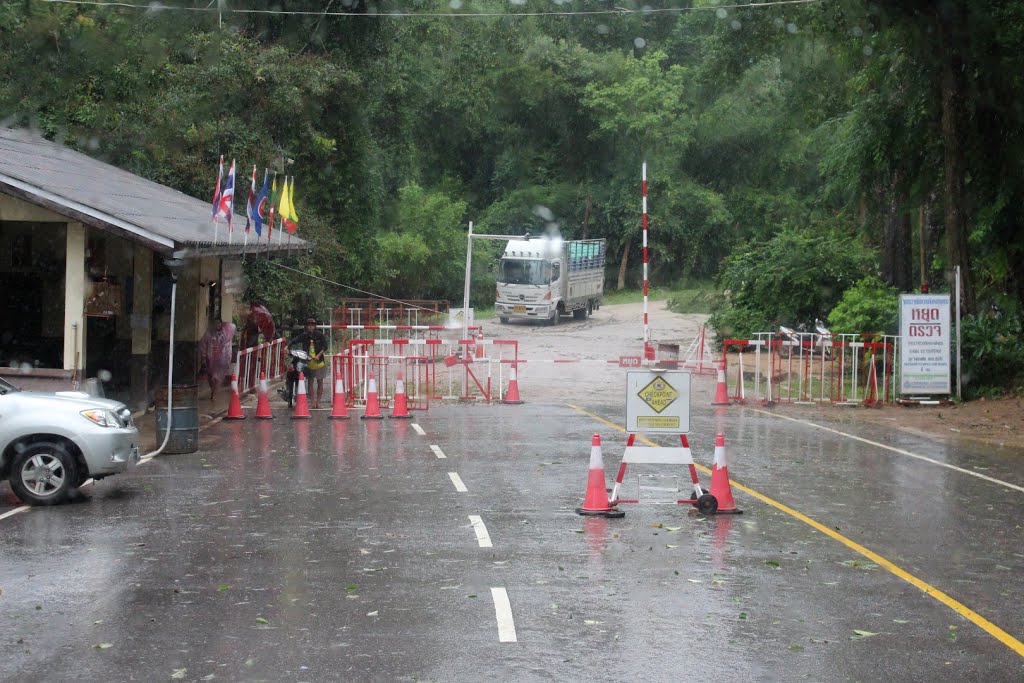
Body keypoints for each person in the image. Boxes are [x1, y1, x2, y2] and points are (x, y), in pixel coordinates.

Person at [287, 317, 329, 408]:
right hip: (308, 362)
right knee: (310, 381)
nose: (310, 327)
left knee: (320, 381)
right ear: (306, 327)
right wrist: (287, 346)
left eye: (312, 326)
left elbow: (325, 346)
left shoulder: (320, 335)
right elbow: (294, 340)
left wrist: (318, 355)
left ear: (315, 326)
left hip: (319, 362)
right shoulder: (304, 336)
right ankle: (312, 401)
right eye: (309, 326)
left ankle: (319, 401)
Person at [198, 317, 237, 401]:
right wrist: (204, 357)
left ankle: (214, 394)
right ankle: (213, 390)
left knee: (218, 377)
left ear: (221, 324)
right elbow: (203, 344)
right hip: (211, 359)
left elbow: (232, 327)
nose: (217, 325)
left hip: (222, 360)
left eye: (219, 323)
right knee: (210, 377)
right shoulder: (209, 334)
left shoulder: (226, 333)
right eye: (215, 323)